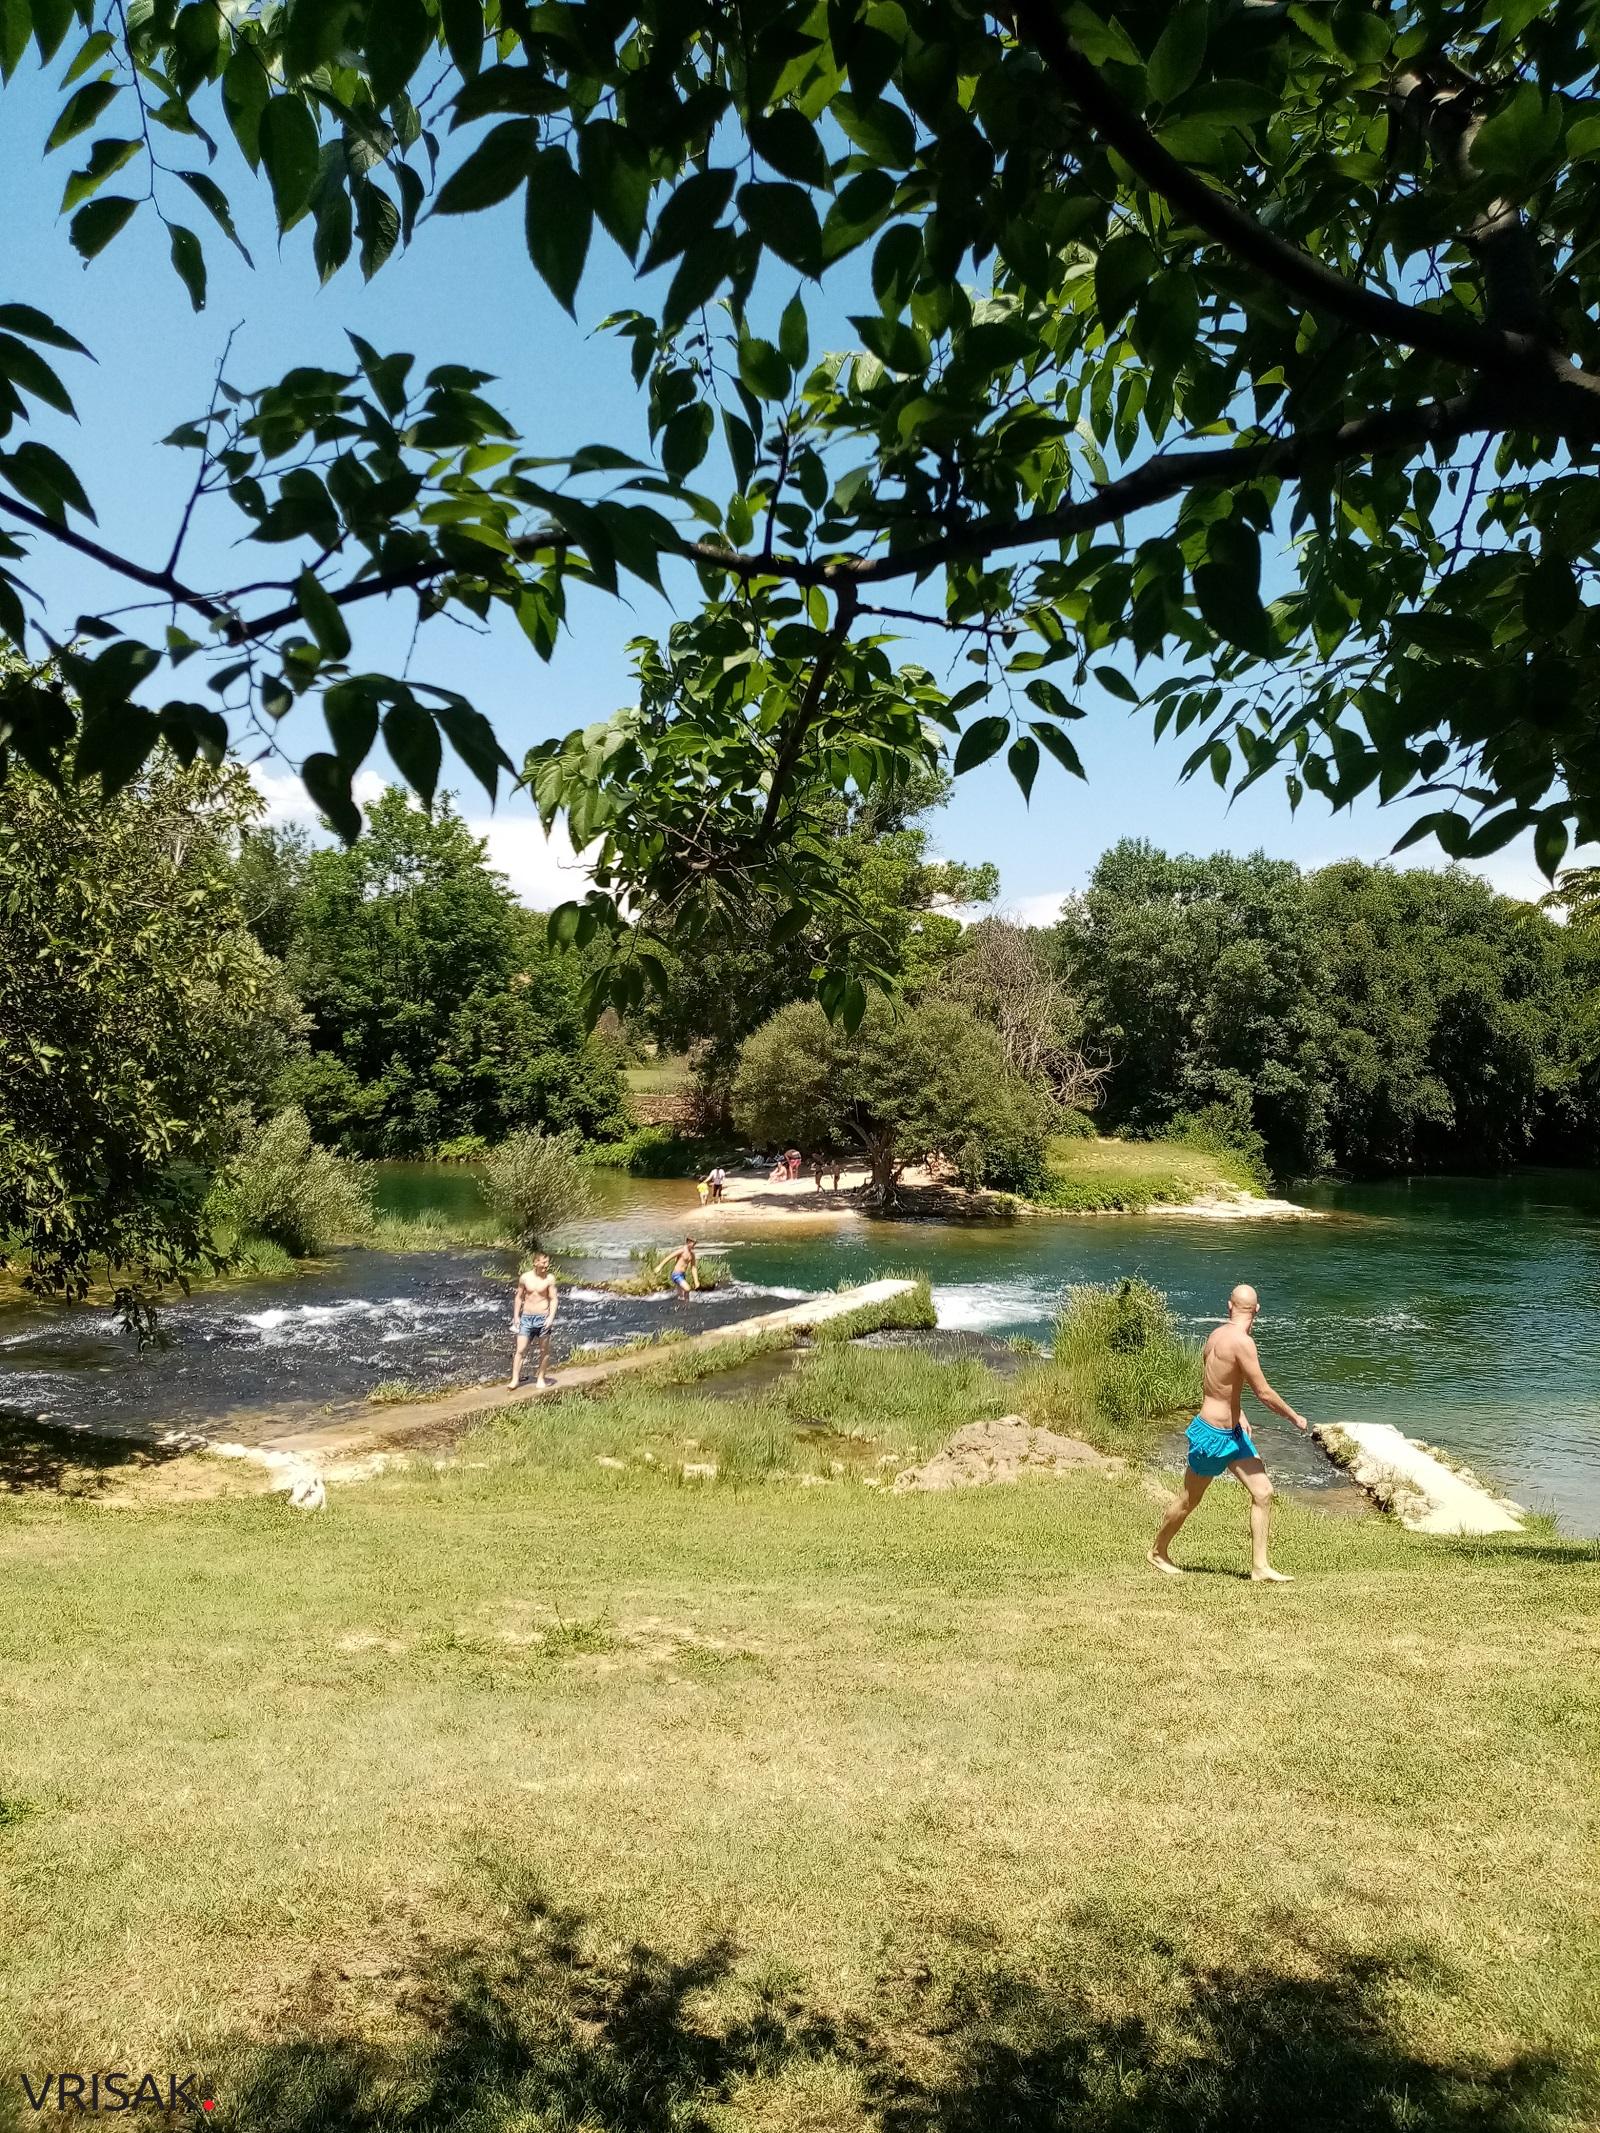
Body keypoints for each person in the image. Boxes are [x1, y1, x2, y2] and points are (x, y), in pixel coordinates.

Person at [1149, 1282, 1308, 1583]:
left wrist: (1240, 1412)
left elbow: (1217, 1381)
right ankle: (1158, 1551)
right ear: (1257, 1310)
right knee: (1188, 1500)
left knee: (1263, 1492)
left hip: (1233, 1433)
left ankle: (1260, 1567)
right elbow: (1264, 1392)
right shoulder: (1243, 1343)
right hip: (1212, 1435)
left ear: (1229, 1306)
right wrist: (1294, 1417)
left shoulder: (1217, 1335)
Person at [509, 1253, 559, 1390]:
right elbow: (519, 1297)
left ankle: (541, 1379)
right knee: (520, 1350)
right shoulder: (525, 1277)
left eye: (547, 1262)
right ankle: (515, 1379)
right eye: (543, 1262)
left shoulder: (549, 1279)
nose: (546, 1265)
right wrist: (516, 1316)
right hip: (526, 1317)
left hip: (543, 1318)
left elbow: (553, 1299)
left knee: (544, 1351)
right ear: (535, 1263)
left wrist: (551, 1318)